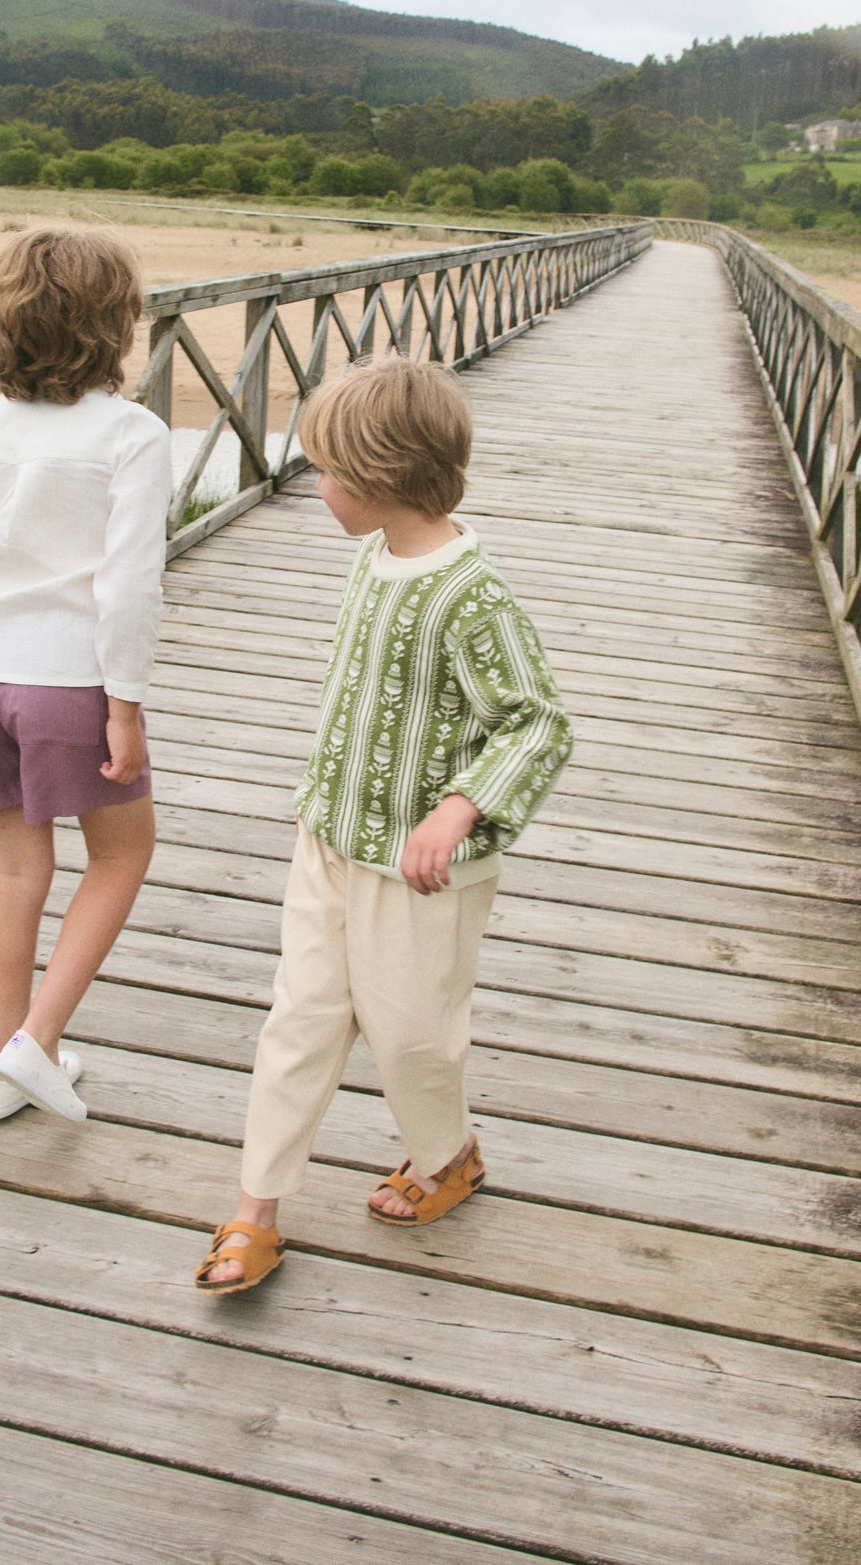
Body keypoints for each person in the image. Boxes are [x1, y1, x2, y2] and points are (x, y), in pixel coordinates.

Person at [195, 357, 572, 1293]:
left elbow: (538, 721)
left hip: (416, 871)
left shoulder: (468, 593)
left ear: (381, 478)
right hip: (328, 836)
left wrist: (456, 809)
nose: (314, 485)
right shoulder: (376, 556)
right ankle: (256, 1209)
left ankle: (448, 1155)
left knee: (410, 1035)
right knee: (302, 1019)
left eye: (324, 471)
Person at [0, 224, 170, 1124]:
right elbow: (129, 582)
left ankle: (0, 1068)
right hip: (70, 682)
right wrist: (126, 704)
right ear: (117, 325)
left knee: (16, 869)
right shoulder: (131, 434)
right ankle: (37, 1043)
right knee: (123, 855)